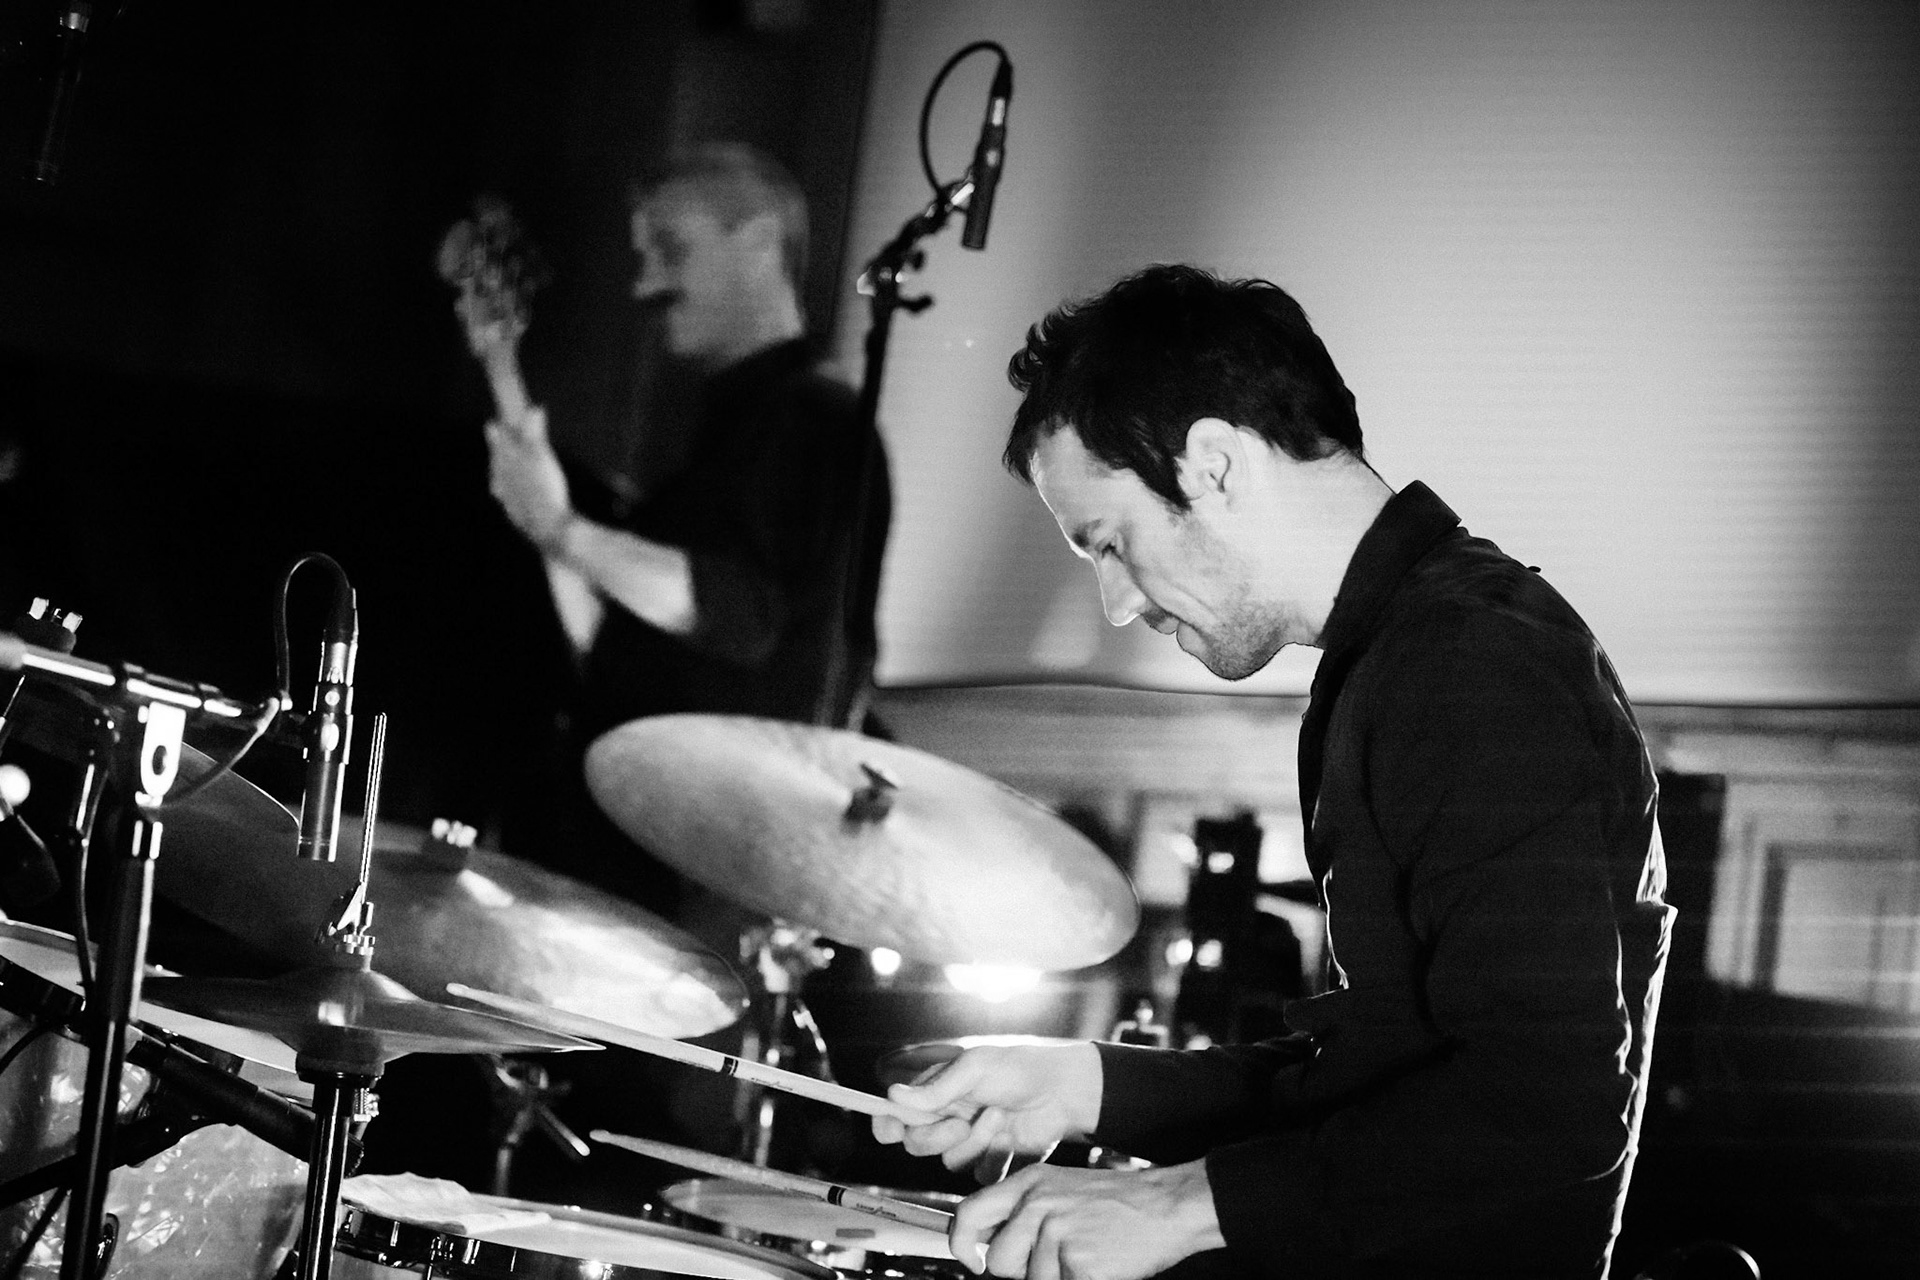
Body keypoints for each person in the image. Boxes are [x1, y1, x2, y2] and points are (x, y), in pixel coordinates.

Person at [873, 265, 1673, 1280]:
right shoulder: (1395, 653)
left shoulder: (1471, 661)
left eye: (1111, 542)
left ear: (1212, 462)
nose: (1116, 603)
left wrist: (1175, 1204)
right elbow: (1377, 1076)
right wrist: (1084, 1084)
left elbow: (1544, 1108)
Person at [483, 141, 892, 914]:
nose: (646, 283)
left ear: (761, 240)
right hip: (641, 848)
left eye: (670, 249)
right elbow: (602, 640)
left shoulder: (813, 422)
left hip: (704, 878)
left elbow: (734, 613)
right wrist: (502, 368)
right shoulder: (731, 432)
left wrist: (564, 529)